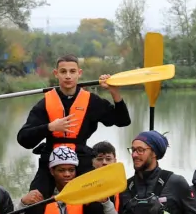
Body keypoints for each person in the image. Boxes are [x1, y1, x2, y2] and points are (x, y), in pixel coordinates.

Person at [15, 55, 130, 197]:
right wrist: (49, 127)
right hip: (50, 160)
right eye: (63, 72)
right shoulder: (45, 103)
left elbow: (123, 121)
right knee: (35, 199)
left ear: (79, 73)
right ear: (56, 74)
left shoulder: (92, 101)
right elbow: (23, 139)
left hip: (82, 159)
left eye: (72, 71)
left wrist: (114, 92)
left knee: (95, 202)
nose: (68, 76)